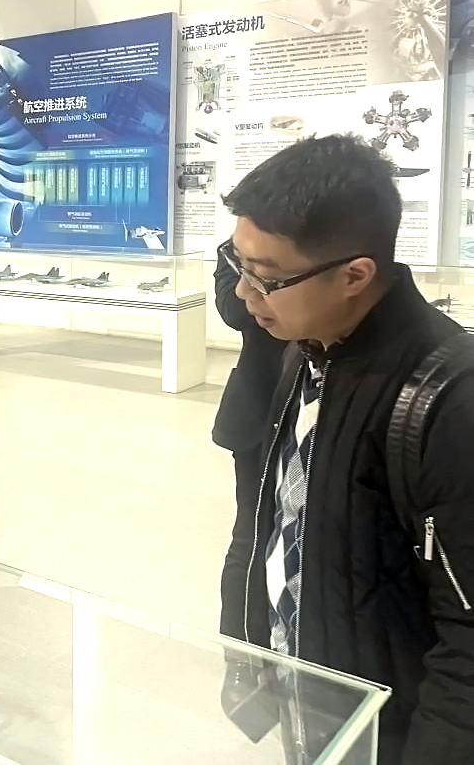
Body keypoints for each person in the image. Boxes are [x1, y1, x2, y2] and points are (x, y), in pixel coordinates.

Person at [218, 133, 474, 764]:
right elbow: (267, 518)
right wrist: (245, 645)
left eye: (266, 278)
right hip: (313, 707)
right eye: (237, 264)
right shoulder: (304, 352)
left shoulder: (449, 401)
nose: (244, 295)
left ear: (355, 275)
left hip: (392, 735)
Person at [211, 238, 287, 639]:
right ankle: (242, 652)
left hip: (312, 403)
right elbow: (234, 310)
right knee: (253, 534)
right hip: (259, 406)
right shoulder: (234, 250)